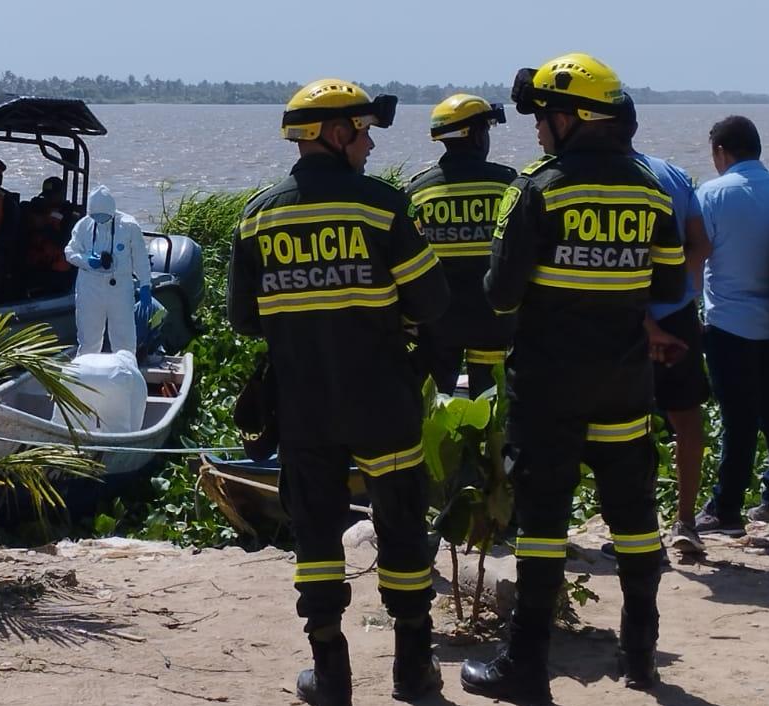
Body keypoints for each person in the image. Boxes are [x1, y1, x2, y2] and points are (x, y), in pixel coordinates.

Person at [460, 54, 685, 704]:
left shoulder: (537, 189)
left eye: (543, 118)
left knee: (542, 525)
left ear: (572, 118)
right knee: (635, 515)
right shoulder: (649, 189)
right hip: (623, 383)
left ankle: (525, 666)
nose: (536, 131)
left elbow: (500, 296)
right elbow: (669, 285)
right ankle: (640, 649)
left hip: (549, 389)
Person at [230, 78, 450, 706]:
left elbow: (244, 319)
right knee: (401, 529)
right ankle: (414, 670)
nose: (372, 143)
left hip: (303, 407)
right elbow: (434, 300)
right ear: (335, 134)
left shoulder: (257, 216)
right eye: (364, 130)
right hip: (383, 402)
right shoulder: (382, 208)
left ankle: (330, 675)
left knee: (317, 535)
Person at [692, 116, 769, 537]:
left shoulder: (712, 194)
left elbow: (695, 258)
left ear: (722, 152)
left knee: (738, 418)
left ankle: (726, 507)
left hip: (729, 323)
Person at [622, 112, 715, 555]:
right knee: (686, 416)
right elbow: (700, 244)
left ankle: (637, 530)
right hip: (677, 315)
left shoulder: (607, 179)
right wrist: (680, 293)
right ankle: (685, 520)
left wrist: (646, 321)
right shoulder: (672, 172)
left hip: (622, 317)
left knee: (622, 423)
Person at [404, 94, 516, 396]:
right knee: (492, 407)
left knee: (437, 404)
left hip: (438, 324)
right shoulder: (508, 185)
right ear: (478, 135)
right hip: (494, 321)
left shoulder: (417, 192)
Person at [64, 185, 150, 355]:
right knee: (89, 340)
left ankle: (125, 375)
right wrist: (87, 260)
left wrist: (145, 283)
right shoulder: (83, 226)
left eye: (103, 216)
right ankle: (87, 375)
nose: (100, 219)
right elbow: (69, 252)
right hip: (90, 289)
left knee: (124, 339)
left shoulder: (129, 226)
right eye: (95, 216)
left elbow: (140, 258)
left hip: (120, 289)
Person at [24, 176, 77, 294]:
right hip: (37, 266)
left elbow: (64, 242)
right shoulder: (39, 210)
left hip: (58, 272)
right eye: (46, 195)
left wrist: (44, 226)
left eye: (52, 195)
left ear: (61, 194)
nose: (48, 198)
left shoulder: (70, 215)